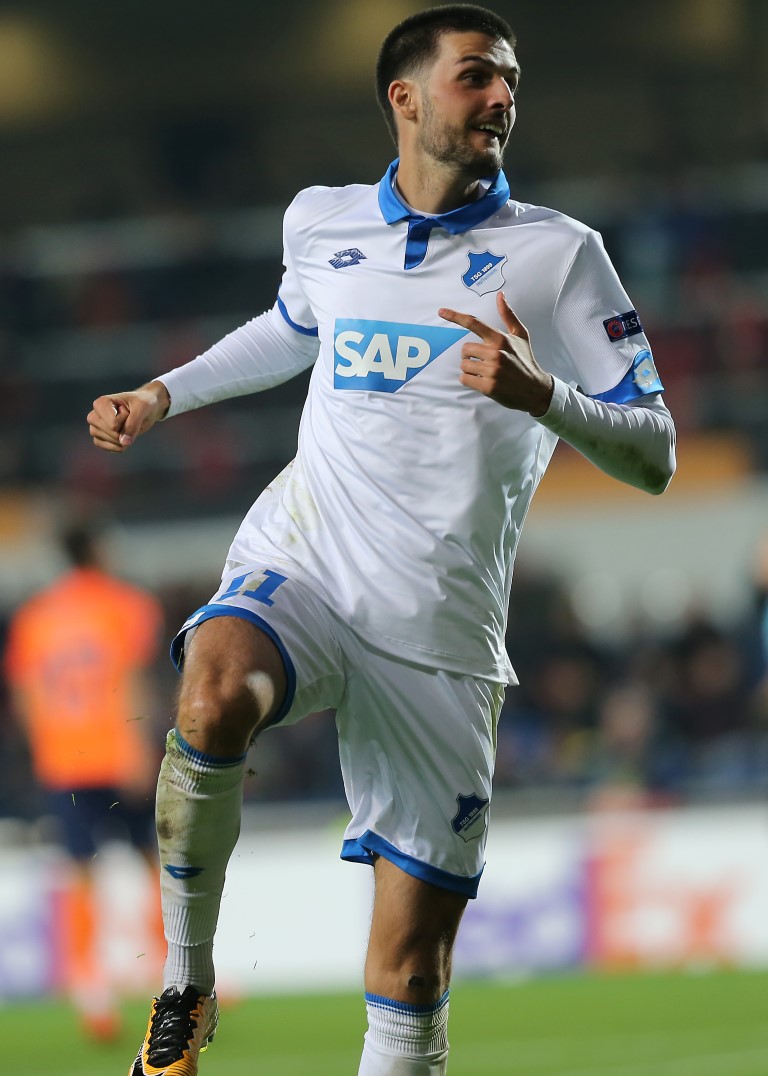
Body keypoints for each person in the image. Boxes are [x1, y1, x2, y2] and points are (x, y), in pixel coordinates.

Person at [87, 5, 676, 1073]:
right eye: (476, 75)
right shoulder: (322, 221)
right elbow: (291, 328)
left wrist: (546, 396)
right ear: (404, 97)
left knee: (408, 979)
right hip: (310, 558)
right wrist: (164, 392)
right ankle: (185, 981)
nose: (502, 96)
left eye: (510, 78)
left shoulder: (560, 256)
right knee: (213, 690)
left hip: (440, 632)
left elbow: (658, 454)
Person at [3, 520, 164, 1039]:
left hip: (63, 761)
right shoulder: (125, 603)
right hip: (116, 752)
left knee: (78, 869)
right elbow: (132, 677)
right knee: (151, 856)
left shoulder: (36, 616)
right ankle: (167, 969)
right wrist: (137, 745)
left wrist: (44, 747)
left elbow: (25, 690)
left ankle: (90, 983)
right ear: (96, 550)